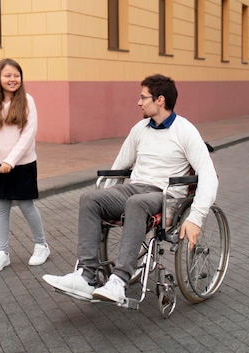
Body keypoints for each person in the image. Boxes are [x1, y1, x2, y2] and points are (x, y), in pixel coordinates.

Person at [42, 74, 218, 303]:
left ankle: (119, 282)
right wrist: (105, 198)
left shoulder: (185, 131)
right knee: (90, 198)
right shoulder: (140, 129)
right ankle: (85, 276)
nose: (139, 102)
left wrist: (196, 217)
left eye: (143, 97)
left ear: (160, 100)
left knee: (136, 204)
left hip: (164, 195)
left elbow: (208, 175)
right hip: (135, 188)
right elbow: (120, 165)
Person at [0, 58, 50, 273]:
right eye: (8, 75)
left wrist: (10, 161)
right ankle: (2, 253)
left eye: (16, 75)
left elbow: (28, 136)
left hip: (22, 165)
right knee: (1, 208)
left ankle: (41, 245)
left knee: (27, 206)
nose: (12, 79)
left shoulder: (28, 101)